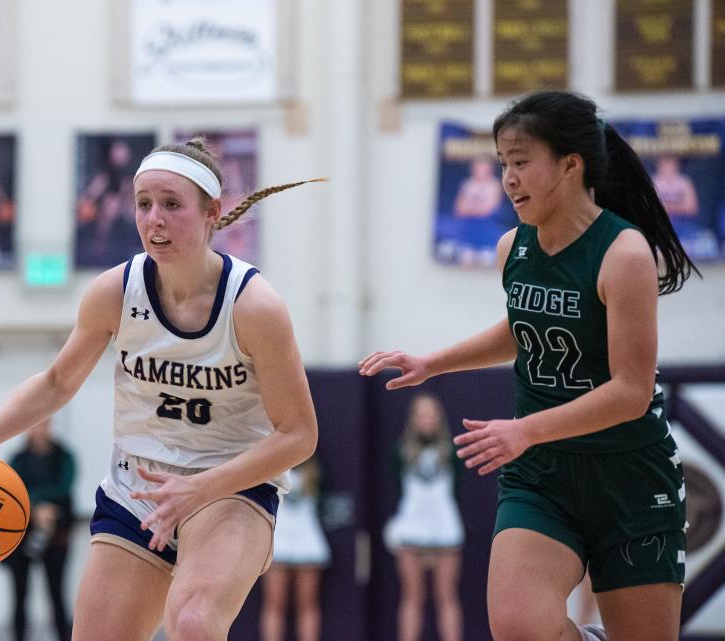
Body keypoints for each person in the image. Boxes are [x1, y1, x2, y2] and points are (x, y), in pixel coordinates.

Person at [0, 137, 321, 641]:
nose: (154, 219)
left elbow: (299, 436)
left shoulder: (255, 307)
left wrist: (201, 488)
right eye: (144, 203)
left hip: (230, 488)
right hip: (138, 490)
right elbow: (57, 381)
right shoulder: (114, 291)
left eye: (172, 205)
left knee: (193, 622)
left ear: (212, 212)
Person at [360, 90, 698, 641]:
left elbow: (631, 391)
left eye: (521, 162)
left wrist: (523, 429)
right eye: (503, 165)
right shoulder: (512, 248)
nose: (508, 179)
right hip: (543, 476)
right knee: (518, 627)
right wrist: (433, 362)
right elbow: (523, 329)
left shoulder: (624, 254)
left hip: (630, 479)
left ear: (570, 164)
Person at [383, 393, 464, 641]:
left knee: (447, 595)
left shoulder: (451, 451)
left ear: (439, 417)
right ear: (413, 418)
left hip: (445, 528)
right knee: (412, 596)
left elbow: (458, 489)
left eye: (431, 414)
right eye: (422, 414)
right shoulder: (400, 451)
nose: (427, 420)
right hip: (411, 528)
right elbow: (397, 489)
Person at [4, 417, 77, 641]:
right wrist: (35, 508)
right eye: (33, 425)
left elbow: (63, 487)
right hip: (22, 535)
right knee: (19, 595)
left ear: (50, 426)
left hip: (56, 534)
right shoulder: (18, 459)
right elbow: (14, 489)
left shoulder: (64, 456)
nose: (38, 430)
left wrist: (45, 508)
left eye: (43, 424)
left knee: (56, 593)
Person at [260, 455, 330, 641]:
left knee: (308, 605)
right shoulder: (269, 469)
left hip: (308, 544)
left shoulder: (315, 473)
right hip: (279, 544)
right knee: (274, 605)